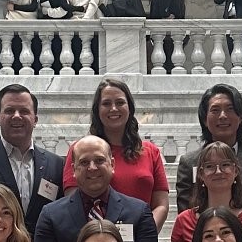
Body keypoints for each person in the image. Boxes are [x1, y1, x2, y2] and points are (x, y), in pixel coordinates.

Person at [35, 135, 159, 242]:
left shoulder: (140, 213)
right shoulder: (50, 216)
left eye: (99, 160)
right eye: (84, 162)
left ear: (112, 164)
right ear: (73, 169)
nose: (92, 168)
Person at [60, 77, 170, 232]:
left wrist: (145, 233)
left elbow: (161, 205)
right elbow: (73, 203)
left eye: (120, 102)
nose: (113, 109)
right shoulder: (80, 150)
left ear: (130, 107)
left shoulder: (151, 151)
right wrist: (99, 238)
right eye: (106, 103)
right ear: (97, 110)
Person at [0, 83, 63, 237]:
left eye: (24, 111)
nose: (16, 116)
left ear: (35, 119)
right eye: (9, 111)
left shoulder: (56, 164)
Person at [174, 84, 242, 213]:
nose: (223, 116)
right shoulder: (189, 162)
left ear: (241, 116)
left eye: (230, 109)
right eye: (215, 110)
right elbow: (186, 212)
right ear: (204, 119)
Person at [167, 140, 242, 242]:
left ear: (236, 170)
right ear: (200, 174)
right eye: (210, 166)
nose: (218, 171)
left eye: (225, 165)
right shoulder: (184, 220)